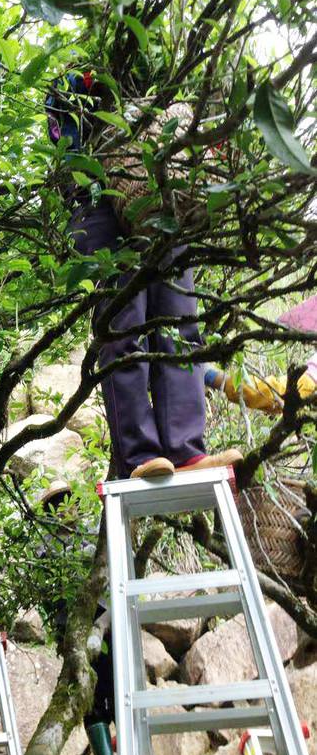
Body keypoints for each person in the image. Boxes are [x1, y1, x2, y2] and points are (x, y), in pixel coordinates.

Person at [46, 72, 242, 481]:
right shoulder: (81, 78)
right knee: (123, 326)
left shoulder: (159, 69)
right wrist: (87, 89)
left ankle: (186, 448)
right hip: (99, 200)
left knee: (180, 318)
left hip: (158, 197)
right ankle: (139, 453)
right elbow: (64, 138)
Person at [36, 480, 116, 755]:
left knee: (114, 685)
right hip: (73, 629)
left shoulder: (93, 537)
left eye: (67, 500)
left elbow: (110, 579)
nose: (63, 508)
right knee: (87, 696)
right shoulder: (45, 548)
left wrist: (103, 624)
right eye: (56, 503)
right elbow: (49, 600)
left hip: (105, 622)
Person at [205, 356, 317, 415]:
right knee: (263, 393)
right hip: (309, 382)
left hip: (309, 383)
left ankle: (208, 374)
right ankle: (209, 374)